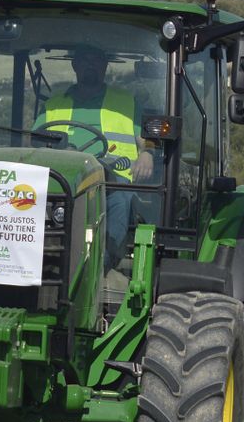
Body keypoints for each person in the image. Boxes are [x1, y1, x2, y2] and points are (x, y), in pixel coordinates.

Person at [35, 45, 154, 264]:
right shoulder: (53, 105)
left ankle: (103, 263)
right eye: (85, 59)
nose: (91, 64)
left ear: (104, 66)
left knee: (121, 199)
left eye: (96, 60)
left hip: (113, 181)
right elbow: (34, 144)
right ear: (75, 65)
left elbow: (147, 139)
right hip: (64, 179)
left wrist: (147, 154)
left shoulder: (126, 102)